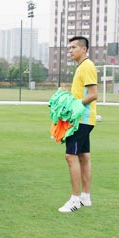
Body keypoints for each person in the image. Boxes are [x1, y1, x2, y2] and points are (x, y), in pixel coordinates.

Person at [58, 36, 97, 213]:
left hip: (80, 119)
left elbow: (93, 94)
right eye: (70, 47)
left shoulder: (87, 66)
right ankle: (85, 197)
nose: (70, 50)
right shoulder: (82, 67)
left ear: (84, 49)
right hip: (84, 119)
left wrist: (74, 106)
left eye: (74, 47)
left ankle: (74, 200)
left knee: (70, 156)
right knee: (83, 156)